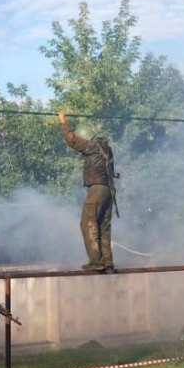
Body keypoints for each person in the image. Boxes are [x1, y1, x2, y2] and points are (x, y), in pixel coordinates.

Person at [59, 112, 118, 273]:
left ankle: (96, 261)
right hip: (108, 191)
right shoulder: (107, 149)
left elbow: (72, 140)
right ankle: (108, 262)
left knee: (88, 223)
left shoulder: (92, 146)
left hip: (97, 189)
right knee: (103, 226)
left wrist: (63, 122)